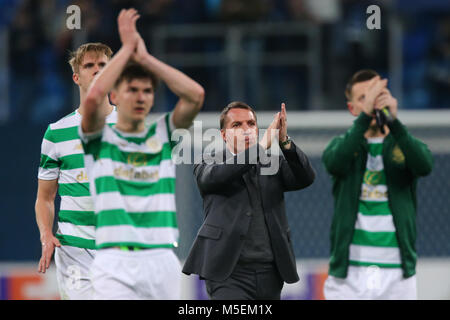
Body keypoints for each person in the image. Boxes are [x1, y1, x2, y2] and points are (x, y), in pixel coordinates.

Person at [79, 8, 204, 299]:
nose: (140, 96)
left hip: (161, 259)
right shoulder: (99, 138)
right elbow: (93, 97)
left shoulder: (162, 134)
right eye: (132, 89)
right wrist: (125, 50)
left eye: (147, 91)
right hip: (113, 263)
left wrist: (144, 58)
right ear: (115, 95)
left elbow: (195, 95)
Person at [182, 101, 316, 300]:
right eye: (237, 125)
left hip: (270, 273)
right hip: (228, 273)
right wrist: (261, 147)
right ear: (223, 134)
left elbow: (305, 178)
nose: (246, 130)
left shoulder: (273, 163)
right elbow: (216, 177)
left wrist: (285, 141)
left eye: (251, 124)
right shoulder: (209, 161)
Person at [322, 69, 433, 300]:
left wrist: (394, 122)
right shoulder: (343, 145)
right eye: (363, 98)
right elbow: (335, 163)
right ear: (352, 108)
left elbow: (424, 165)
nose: (371, 103)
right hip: (349, 273)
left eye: (376, 95)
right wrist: (365, 119)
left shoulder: (402, 143)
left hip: (397, 274)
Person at [35, 42, 116, 299]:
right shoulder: (56, 133)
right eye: (89, 66)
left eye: (103, 65)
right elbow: (45, 198)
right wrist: (46, 234)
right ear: (76, 77)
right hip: (74, 248)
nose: (97, 70)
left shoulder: (133, 128)